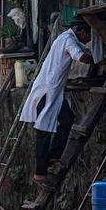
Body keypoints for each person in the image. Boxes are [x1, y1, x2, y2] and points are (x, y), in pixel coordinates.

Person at [20, 19, 94, 187]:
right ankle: (40, 173)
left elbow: (84, 50)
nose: (87, 39)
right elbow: (80, 56)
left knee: (67, 119)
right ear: (81, 32)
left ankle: (53, 157)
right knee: (43, 132)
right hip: (47, 92)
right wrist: (98, 60)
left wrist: (100, 57)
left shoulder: (67, 38)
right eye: (88, 35)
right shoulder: (68, 40)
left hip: (55, 93)